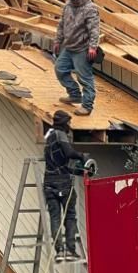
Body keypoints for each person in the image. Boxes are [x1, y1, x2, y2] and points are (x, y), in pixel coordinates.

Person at [44, 110, 87, 261]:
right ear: (63, 123)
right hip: (62, 182)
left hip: (48, 182)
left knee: (55, 217)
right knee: (70, 216)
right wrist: (81, 156)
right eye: (68, 122)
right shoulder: (60, 134)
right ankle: (70, 250)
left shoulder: (49, 135)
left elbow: (57, 158)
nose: (69, 125)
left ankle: (59, 251)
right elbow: (68, 153)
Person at [53, 0, 100, 116]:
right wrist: (58, 41)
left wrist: (92, 47)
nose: (74, 0)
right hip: (69, 46)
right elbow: (61, 25)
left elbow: (94, 30)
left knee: (85, 78)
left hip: (82, 48)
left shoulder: (90, 9)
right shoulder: (68, 6)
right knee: (60, 69)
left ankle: (87, 106)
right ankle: (74, 95)